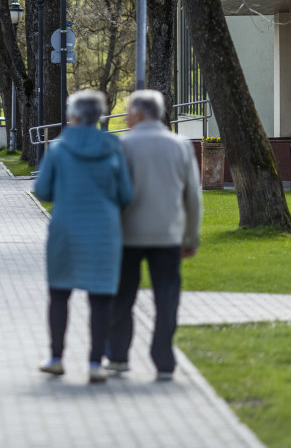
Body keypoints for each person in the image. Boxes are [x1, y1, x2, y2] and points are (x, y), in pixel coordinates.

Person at [34, 90, 133, 383]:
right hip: (104, 232)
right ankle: (95, 363)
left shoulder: (59, 148)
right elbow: (126, 194)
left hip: (66, 230)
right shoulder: (113, 147)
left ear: (74, 116)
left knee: (59, 294)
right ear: (99, 116)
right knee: (101, 298)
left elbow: (42, 190)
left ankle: (56, 358)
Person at [106, 90, 202, 382]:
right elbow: (193, 197)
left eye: (127, 111)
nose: (125, 116)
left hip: (127, 236)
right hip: (167, 235)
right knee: (167, 296)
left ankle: (119, 356)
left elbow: (111, 194)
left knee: (122, 297)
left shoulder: (122, 146)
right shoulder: (180, 145)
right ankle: (164, 360)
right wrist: (191, 236)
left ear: (138, 114)